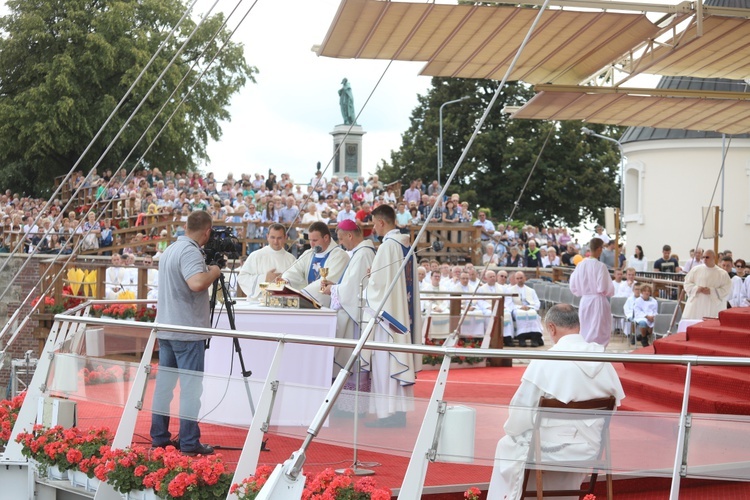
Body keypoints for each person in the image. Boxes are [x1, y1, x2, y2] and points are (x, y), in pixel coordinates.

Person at [487, 304, 625, 499]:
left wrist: (512, 430)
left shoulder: (547, 360)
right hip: (589, 448)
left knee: (507, 443)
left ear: (551, 328)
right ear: (578, 325)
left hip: (549, 450)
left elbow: (521, 411)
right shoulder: (602, 359)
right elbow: (612, 408)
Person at [150, 211, 223, 455]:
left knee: (164, 388)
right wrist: (215, 271)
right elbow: (197, 283)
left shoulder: (171, 249)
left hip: (168, 328)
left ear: (185, 226)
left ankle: (159, 437)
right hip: (187, 332)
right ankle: (190, 443)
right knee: (191, 390)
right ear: (207, 232)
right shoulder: (190, 251)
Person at [363, 204, 420, 428]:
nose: (374, 228)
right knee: (395, 359)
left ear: (382, 222)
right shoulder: (406, 244)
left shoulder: (388, 246)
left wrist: (369, 280)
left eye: (375, 224)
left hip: (387, 319)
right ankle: (399, 412)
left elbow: (378, 286)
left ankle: (386, 414)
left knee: (385, 362)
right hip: (401, 316)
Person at [281, 221, 349, 306]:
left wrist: (303, 295)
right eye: (310, 240)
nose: (312, 244)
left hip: (329, 307)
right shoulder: (308, 253)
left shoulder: (339, 256)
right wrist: (286, 280)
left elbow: (327, 281)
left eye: (315, 240)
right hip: (308, 303)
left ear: (326, 238)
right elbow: (295, 270)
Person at [569, 238, 615, 346]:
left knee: (585, 328)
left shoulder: (580, 265)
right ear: (599, 249)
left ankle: (585, 354)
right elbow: (604, 287)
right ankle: (596, 356)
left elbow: (573, 285)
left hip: (585, 300)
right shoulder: (600, 266)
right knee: (598, 331)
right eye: (602, 248)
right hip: (597, 300)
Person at [236, 223, 295, 298]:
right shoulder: (256, 256)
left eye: (279, 238)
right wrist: (265, 278)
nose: (276, 241)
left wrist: (286, 282)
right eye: (272, 237)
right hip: (258, 303)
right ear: (267, 237)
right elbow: (242, 278)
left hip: (283, 303)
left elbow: (297, 282)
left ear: (285, 237)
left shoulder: (291, 259)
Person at [682, 250, 731, 320]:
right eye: (703, 257)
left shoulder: (722, 273)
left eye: (707, 257)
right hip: (697, 304)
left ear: (714, 258)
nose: (704, 259)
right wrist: (696, 288)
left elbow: (726, 289)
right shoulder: (695, 270)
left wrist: (712, 291)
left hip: (713, 305)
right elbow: (687, 283)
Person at [508, 271, 543, 347]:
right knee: (520, 315)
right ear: (515, 279)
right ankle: (521, 338)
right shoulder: (510, 290)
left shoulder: (531, 290)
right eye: (518, 278)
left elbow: (537, 303)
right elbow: (509, 303)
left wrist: (529, 307)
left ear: (525, 278)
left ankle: (534, 338)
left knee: (533, 314)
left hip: (529, 308)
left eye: (521, 278)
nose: (520, 280)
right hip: (517, 309)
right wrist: (520, 307)